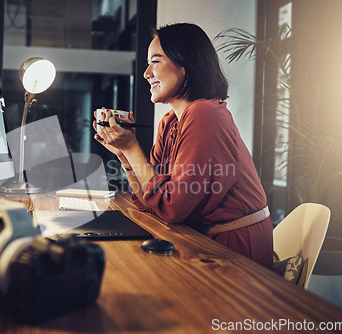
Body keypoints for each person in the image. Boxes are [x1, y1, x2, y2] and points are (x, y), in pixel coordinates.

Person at [92, 23, 273, 269]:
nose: (146, 73)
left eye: (155, 62)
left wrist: (133, 149)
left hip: (234, 248)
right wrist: (124, 153)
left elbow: (172, 208)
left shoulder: (204, 114)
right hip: (202, 240)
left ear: (185, 65)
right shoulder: (170, 121)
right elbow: (150, 199)